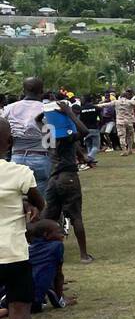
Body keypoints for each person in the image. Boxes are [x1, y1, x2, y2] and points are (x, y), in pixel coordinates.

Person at [0, 118, 50, 319]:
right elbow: (40, 204)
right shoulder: (20, 173)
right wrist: (27, 205)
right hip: (13, 255)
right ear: (9, 142)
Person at [42, 99, 93, 262]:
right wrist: (68, 113)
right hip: (68, 177)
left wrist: (45, 113)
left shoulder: (48, 136)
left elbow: (39, 121)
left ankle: (44, 252)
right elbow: (84, 131)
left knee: (50, 216)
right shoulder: (68, 137)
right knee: (76, 216)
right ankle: (84, 255)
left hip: (53, 179)